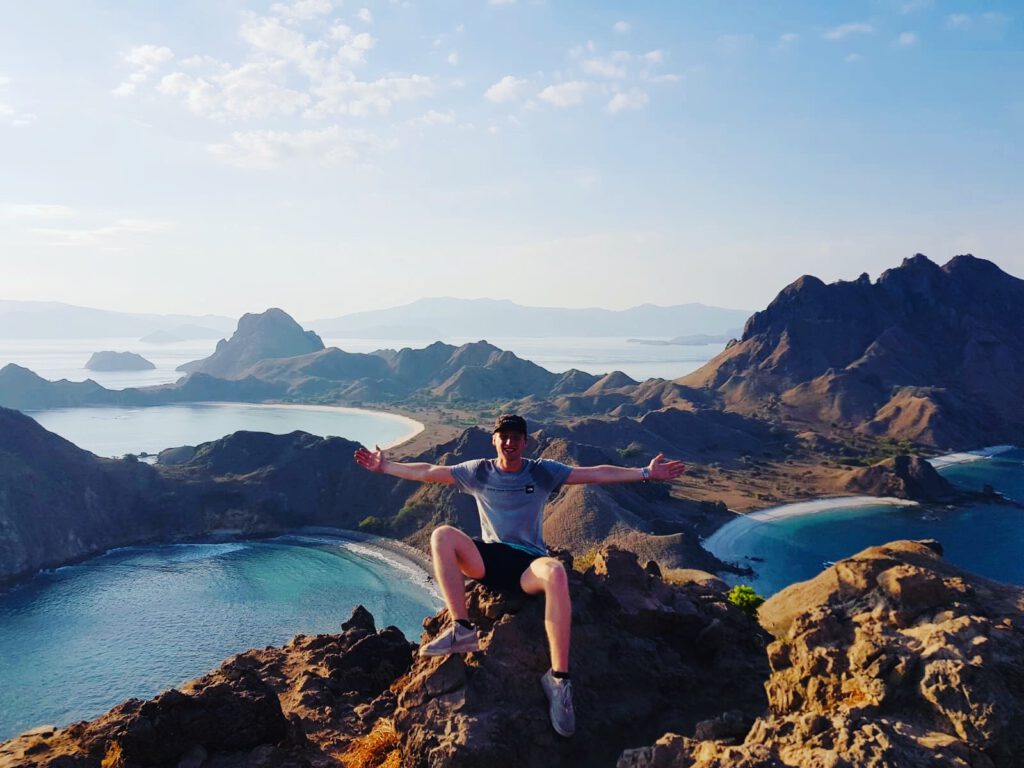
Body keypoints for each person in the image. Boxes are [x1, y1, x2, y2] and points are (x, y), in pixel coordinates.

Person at [353, 413, 686, 737]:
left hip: (529, 562)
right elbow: (428, 471)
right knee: (441, 535)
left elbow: (595, 473)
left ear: (525, 442)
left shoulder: (542, 472)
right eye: (504, 436)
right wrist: (385, 466)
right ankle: (462, 629)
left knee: (555, 572)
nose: (509, 441)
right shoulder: (479, 471)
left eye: (516, 436)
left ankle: (558, 680)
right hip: (489, 558)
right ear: (494, 440)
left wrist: (645, 472)